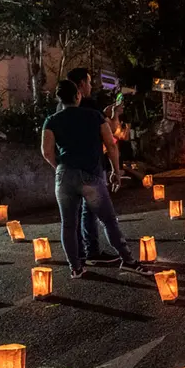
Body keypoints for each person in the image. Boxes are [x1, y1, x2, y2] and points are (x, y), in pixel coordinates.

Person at [41, 80, 151, 278]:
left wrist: (60, 168)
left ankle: (75, 268)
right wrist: (116, 171)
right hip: (91, 174)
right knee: (108, 220)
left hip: (65, 175)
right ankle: (128, 260)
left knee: (68, 224)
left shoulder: (51, 120)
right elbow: (111, 144)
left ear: (60, 99)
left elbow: (46, 151)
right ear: (78, 96)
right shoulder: (94, 116)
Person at [60, 68, 123, 267]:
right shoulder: (88, 107)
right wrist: (114, 115)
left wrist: (59, 166)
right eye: (88, 82)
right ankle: (93, 251)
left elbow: (48, 148)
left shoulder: (59, 111)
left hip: (67, 170)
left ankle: (77, 256)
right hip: (92, 167)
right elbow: (111, 134)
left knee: (72, 215)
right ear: (79, 86)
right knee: (92, 211)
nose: (90, 85)